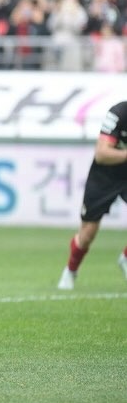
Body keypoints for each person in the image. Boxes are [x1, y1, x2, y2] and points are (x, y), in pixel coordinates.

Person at [57, 101, 127, 290]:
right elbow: (102, 154)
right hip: (105, 175)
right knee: (88, 233)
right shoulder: (119, 113)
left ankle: (125, 258)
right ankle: (71, 270)